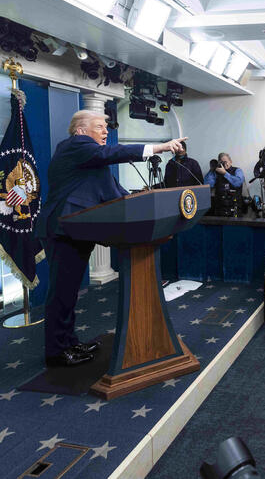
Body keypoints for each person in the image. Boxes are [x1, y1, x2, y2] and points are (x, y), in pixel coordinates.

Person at [35, 110, 187, 366]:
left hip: (76, 230)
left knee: (70, 292)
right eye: (99, 126)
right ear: (81, 130)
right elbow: (113, 153)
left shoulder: (92, 160)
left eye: (106, 127)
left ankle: (69, 342)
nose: (105, 131)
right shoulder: (76, 145)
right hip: (61, 229)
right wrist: (159, 147)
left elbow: (114, 192)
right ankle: (56, 352)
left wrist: (144, 204)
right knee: (62, 292)